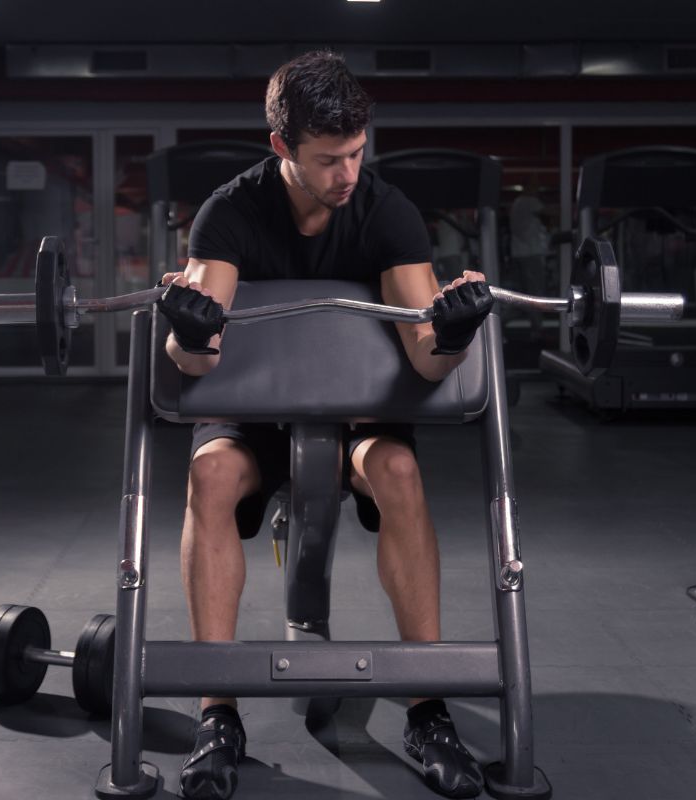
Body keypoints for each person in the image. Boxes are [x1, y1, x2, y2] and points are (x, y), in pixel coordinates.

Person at [156, 50, 493, 800]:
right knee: (210, 473)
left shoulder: (386, 214)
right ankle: (218, 708)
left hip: (353, 422)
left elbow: (425, 358)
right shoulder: (231, 212)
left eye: (356, 152)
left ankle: (427, 706)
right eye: (328, 158)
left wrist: (455, 336)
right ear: (282, 147)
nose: (347, 172)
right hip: (253, 421)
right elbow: (198, 357)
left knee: (399, 470)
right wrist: (185, 331)